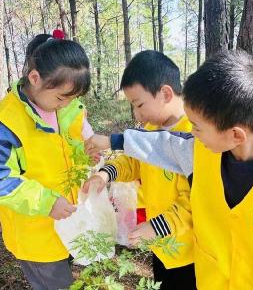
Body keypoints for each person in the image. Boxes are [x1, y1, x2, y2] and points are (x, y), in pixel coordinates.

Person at [84, 51, 253, 289]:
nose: (191, 133)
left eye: (197, 127)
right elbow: (162, 143)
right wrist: (113, 142)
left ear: (235, 134)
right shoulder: (199, 151)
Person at [0, 34, 93, 289]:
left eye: (74, 98)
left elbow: (75, 142)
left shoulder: (67, 106)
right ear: (34, 78)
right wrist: (46, 202)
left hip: (71, 221)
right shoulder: (6, 124)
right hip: (36, 234)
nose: (67, 104)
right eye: (62, 98)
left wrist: (90, 154)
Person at [83, 50, 196, 289]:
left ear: (165, 93)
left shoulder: (194, 134)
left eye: (139, 104)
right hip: (160, 242)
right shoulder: (152, 127)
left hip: (188, 251)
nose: (137, 114)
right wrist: (107, 173)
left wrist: (156, 226)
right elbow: (134, 161)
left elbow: (195, 201)